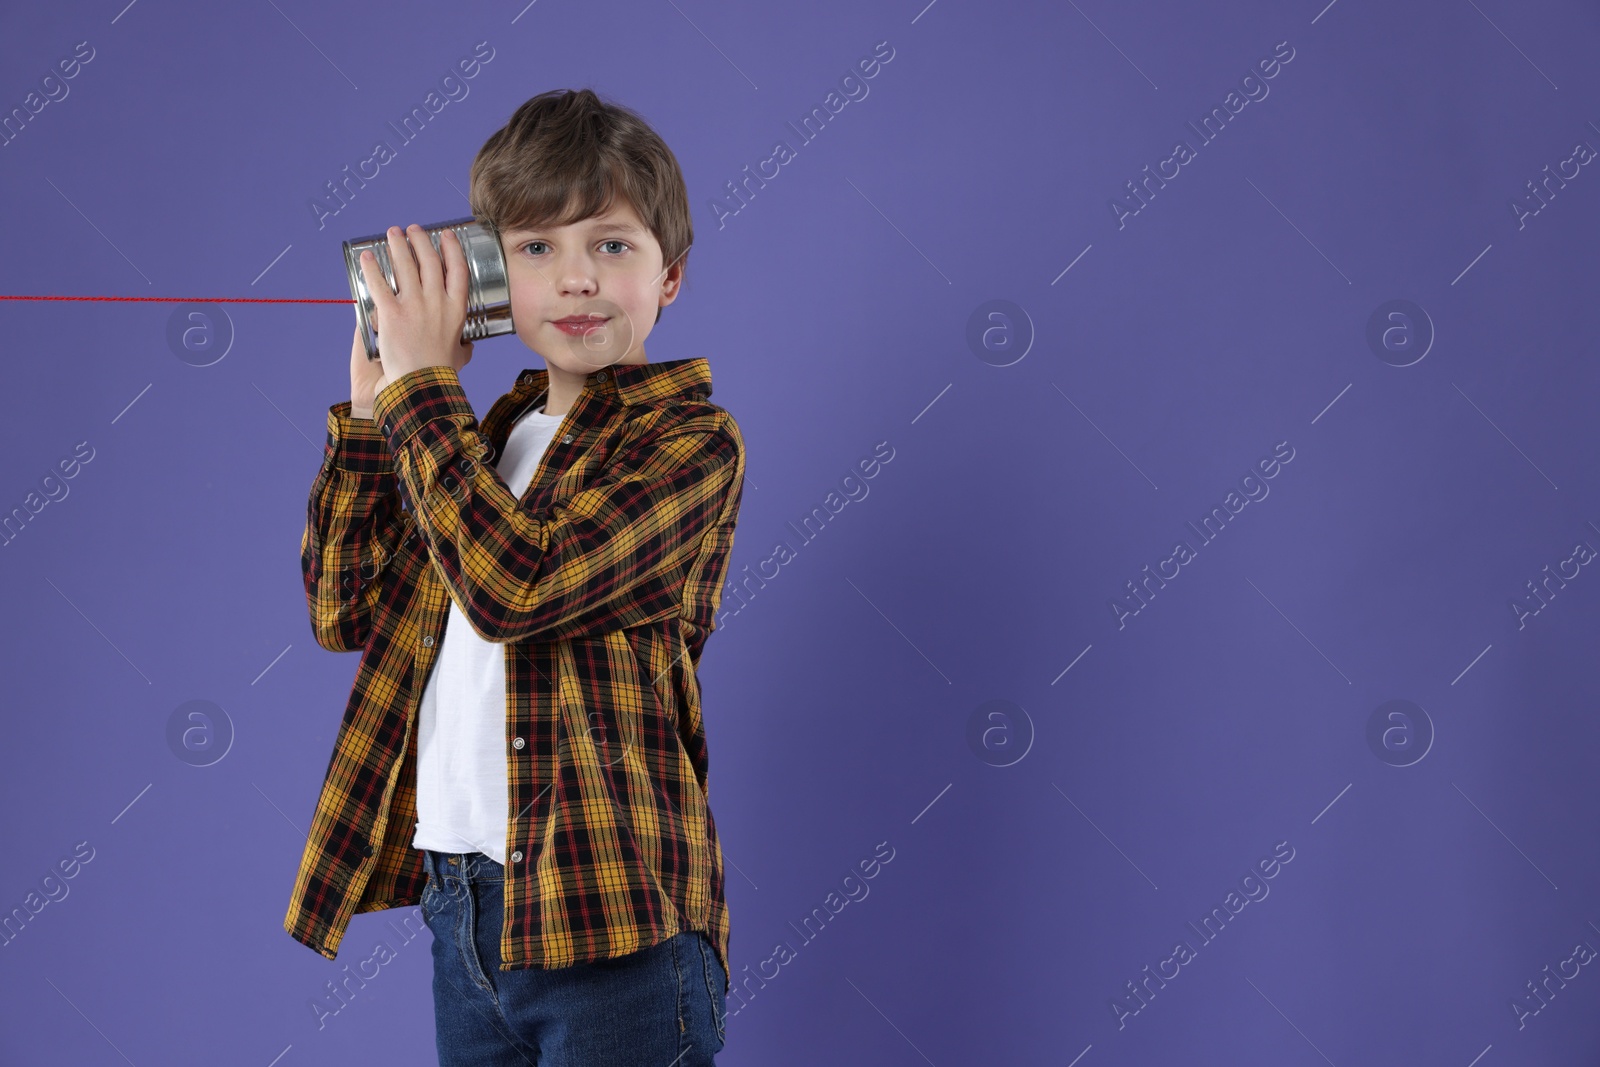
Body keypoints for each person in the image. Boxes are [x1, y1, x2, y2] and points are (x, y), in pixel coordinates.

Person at [282, 87, 744, 1066]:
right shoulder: (486, 439)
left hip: (613, 927)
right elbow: (342, 607)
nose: (576, 279)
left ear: (671, 277)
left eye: (612, 245)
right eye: (536, 248)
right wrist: (375, 419)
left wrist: (421, 398)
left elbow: (515, 588)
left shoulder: (686, 442)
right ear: (490, 276)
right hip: (469, 913)